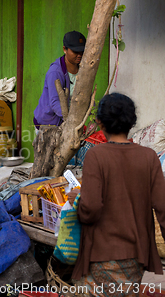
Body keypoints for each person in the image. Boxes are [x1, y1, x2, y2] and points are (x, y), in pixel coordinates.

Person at [66, 93, 165, 294]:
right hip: (138, 255)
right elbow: (163, 207)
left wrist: (79, 201)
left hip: (102, 253)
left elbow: (91, 208)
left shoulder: (96, 155)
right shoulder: (149, 157)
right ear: (132, 122)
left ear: (100, 122)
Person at [33, 31, 86, 128]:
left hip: (69, 122)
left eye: (82, 51)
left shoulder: (83, 70)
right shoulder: (55, 72)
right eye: (75, 51)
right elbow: (55, 103)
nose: (80, 55)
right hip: (49, 124)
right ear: (64, 49)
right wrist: (72, 120)